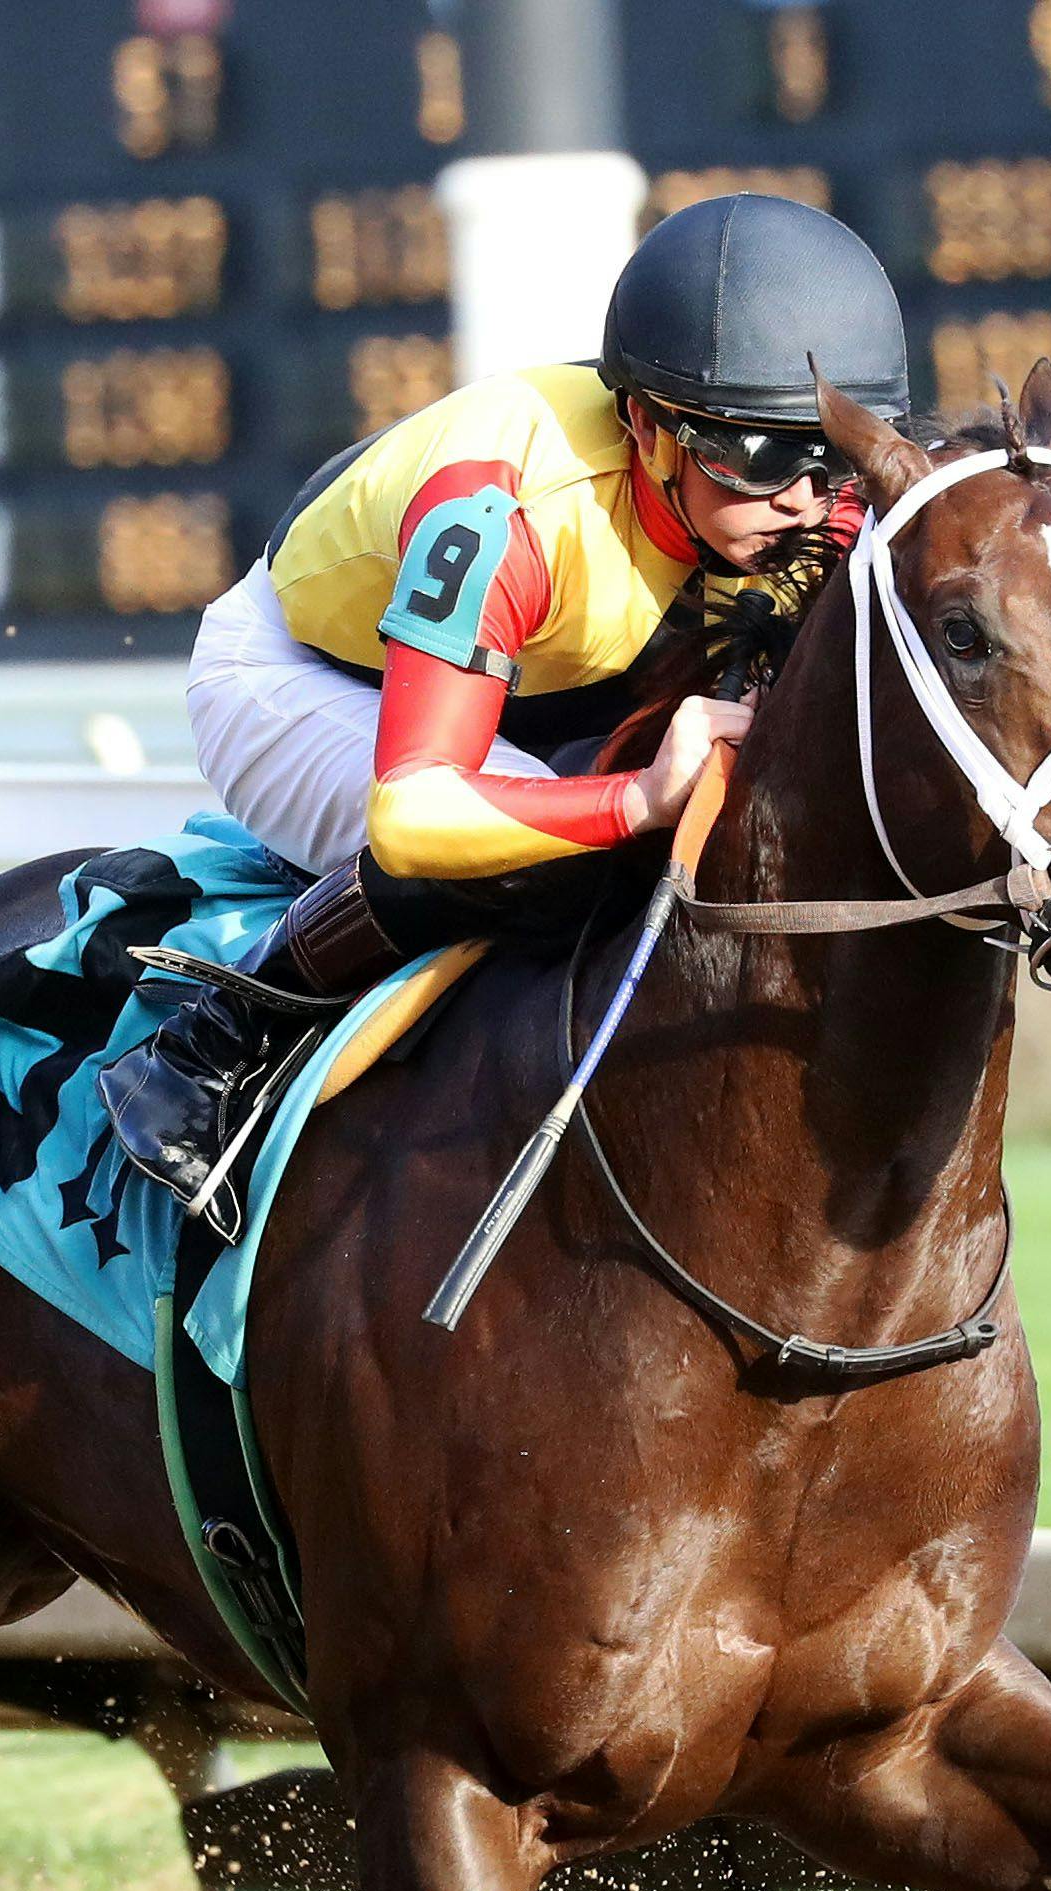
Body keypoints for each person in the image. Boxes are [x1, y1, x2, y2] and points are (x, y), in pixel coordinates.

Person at [101, 190, 914, 1227]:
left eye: (829, 453)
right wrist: (635, 801)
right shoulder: (503, 507)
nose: (804, 498)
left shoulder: (792, 495)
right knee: (552, 852)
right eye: (756, 455)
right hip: (303, 675)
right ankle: (211, 1046)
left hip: (536, 680)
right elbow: (417, 808)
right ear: (648, 429)